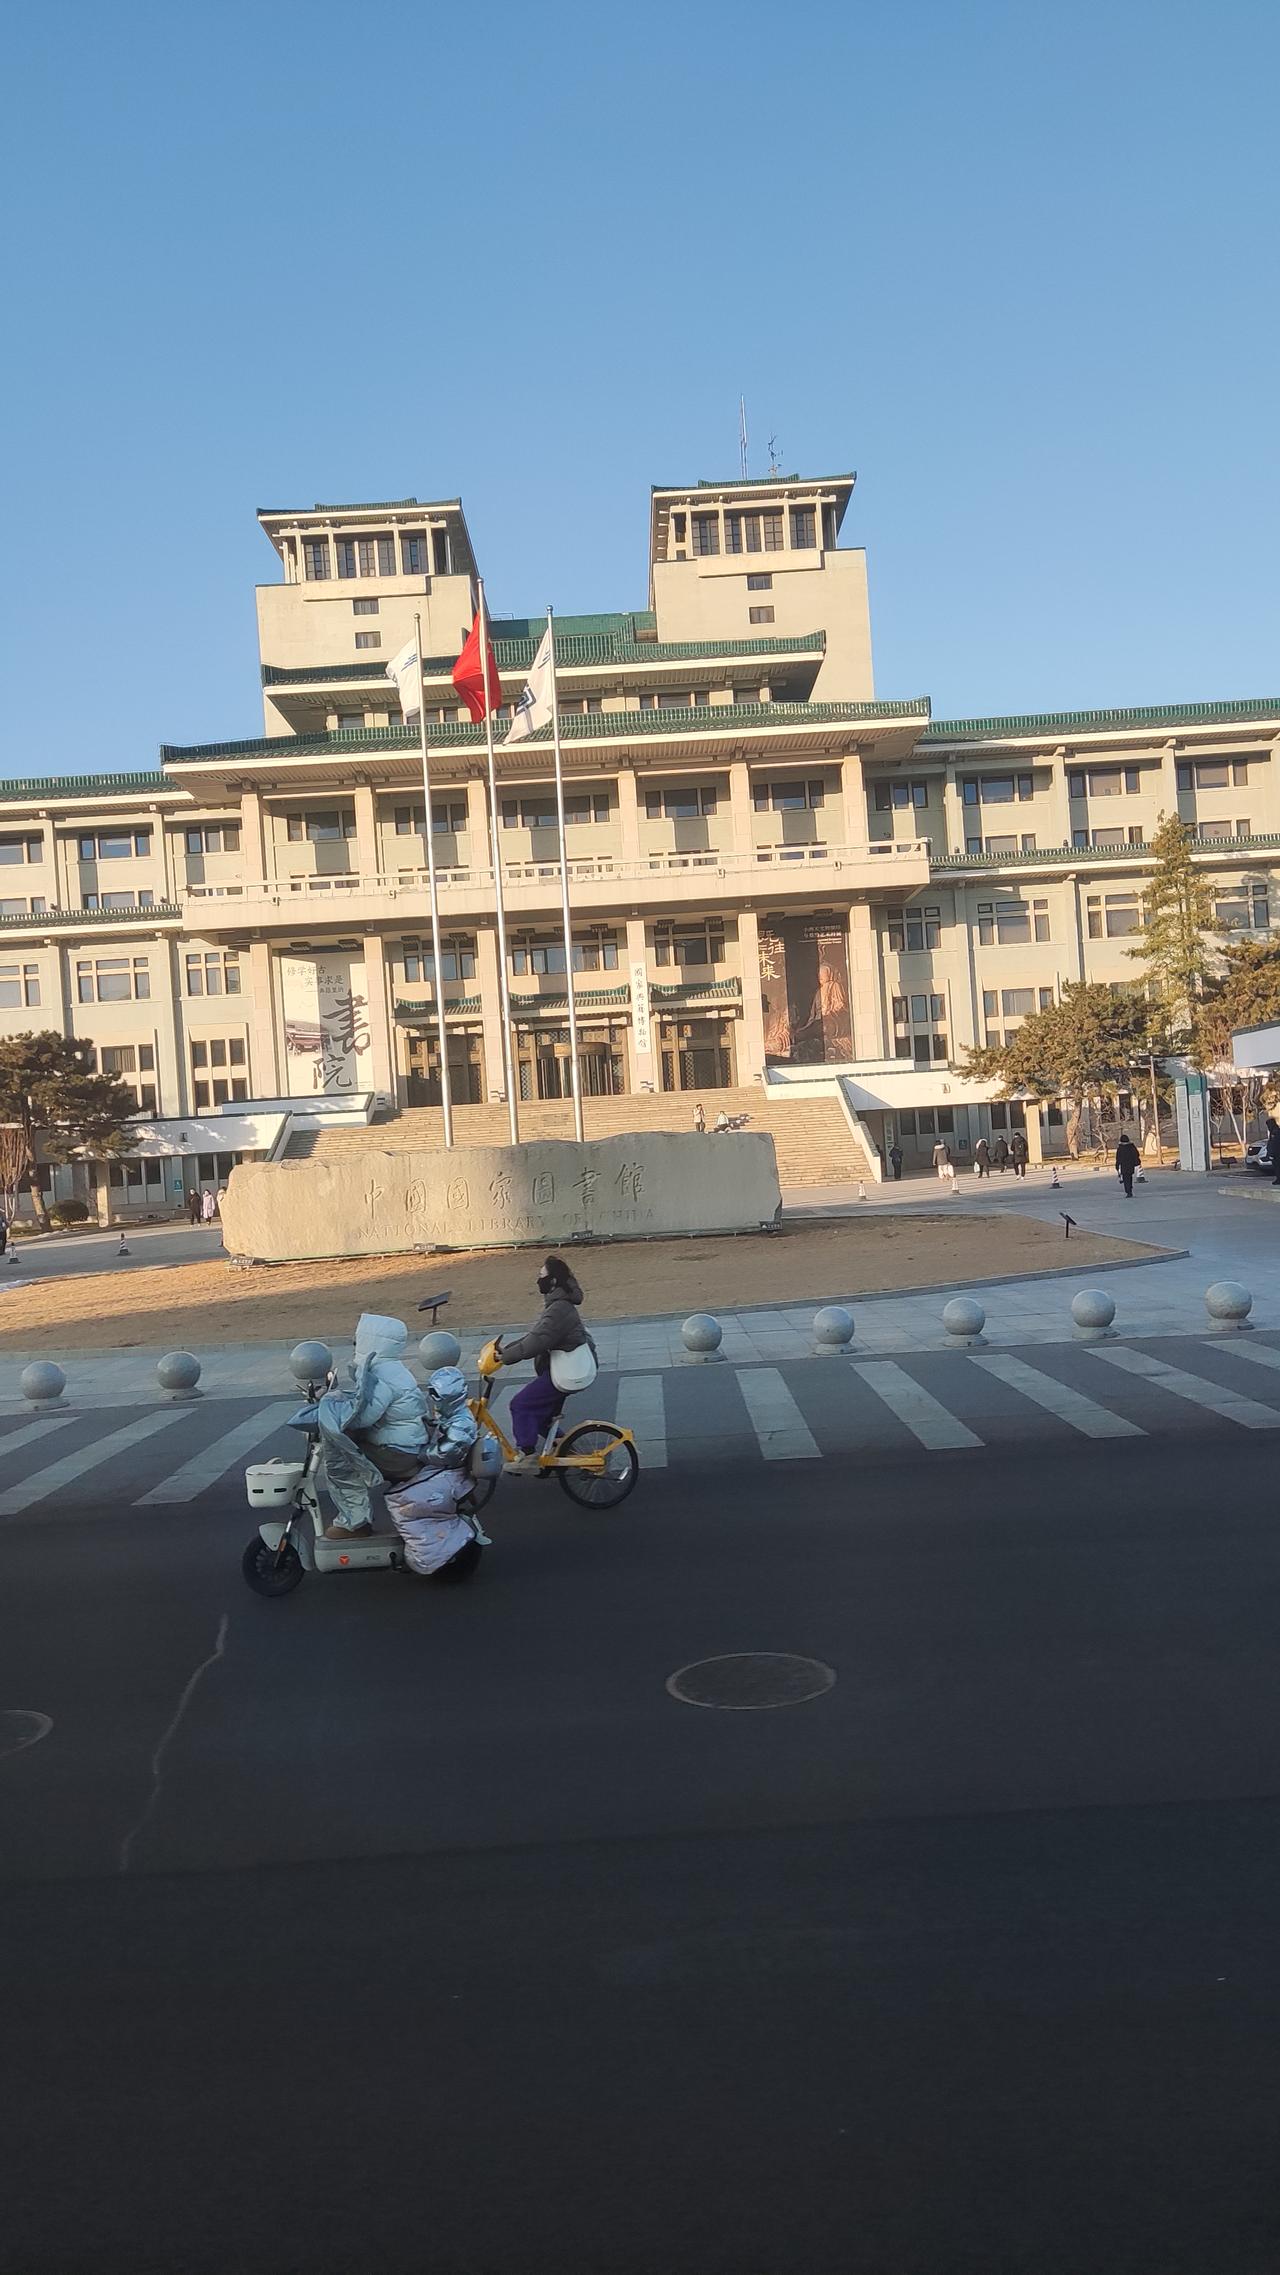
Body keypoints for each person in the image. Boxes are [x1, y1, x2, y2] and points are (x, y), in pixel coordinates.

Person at [325, 1312, 428, 1536]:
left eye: (358, 1337)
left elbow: (365, 1417)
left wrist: (340, 1415)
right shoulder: (394, 1369)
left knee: (343, 1463)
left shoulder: (381, 1375)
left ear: (370, 1340)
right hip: (407, 1445)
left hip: (396, 1452)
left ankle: (354, 1523)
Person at [384, 1366, 483, 1582]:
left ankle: (429, 1555)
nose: (434, 1399)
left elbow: (446, 1452)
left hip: (448, 1473)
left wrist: (420, 1453)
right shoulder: (453, 1415)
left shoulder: (462, 1422)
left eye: (437, 1395)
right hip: (444, 1471)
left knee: (402, 1500)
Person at [496, 1255, 593, 1475]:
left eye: (541, 1276)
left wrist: (507, 1358)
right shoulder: (558, 1304)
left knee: (521, 1405)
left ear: (553, 1281)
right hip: (563, 1369)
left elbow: (538, 1340)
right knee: (540, 1417)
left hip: (566, 1372)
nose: (538, 1280)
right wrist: (507, 1349)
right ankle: (568, 1452)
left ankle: (528, 1456)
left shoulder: (559, 1308)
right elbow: (536, 1334)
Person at [1115, 1129, 1141, 1198]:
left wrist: (1117, 1166)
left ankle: (1128, 1190)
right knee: (1129, 1176)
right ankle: (1130, 1188)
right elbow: (1136, 1154)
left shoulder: (1120, 1148)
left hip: (1124, 1165)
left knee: (1125, 1178)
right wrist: (1136, 1161)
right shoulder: (1131, 1146)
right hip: (1130, 1164)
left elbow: (1118, 1158)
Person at [1266, 1115, 1280, 1188]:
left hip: (1277, 1154)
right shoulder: (1273, 1131)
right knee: (1276, 1167)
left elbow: (1275, 1144)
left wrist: (1272, 1153)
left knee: (1278, 1167)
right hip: (1275, 1154)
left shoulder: (1275, 1131)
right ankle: (1278, 1178)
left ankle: (1279, 1179)